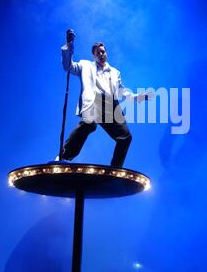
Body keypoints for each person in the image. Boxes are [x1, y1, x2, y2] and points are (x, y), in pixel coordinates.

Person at [57, 29, 149, 168]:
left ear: (106, 53)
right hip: (95, 101)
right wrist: (68, 45)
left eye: (103, 51)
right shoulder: (85, 65)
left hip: (111, 105)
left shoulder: (115, 72)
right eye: (98, 52)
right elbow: (68, 66)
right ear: (93, 55)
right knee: (89, 123)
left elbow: (121, 90)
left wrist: (137, 97)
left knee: (125, 137)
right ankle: (64, 157)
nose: (101, 54)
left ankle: (115, 169)